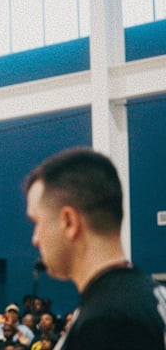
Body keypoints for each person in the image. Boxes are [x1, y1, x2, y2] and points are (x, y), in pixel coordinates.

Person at [24, 147, 166, 350]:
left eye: (37, 222)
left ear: (68, 221)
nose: (35, 239)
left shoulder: (107, 322)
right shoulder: (149, 294)